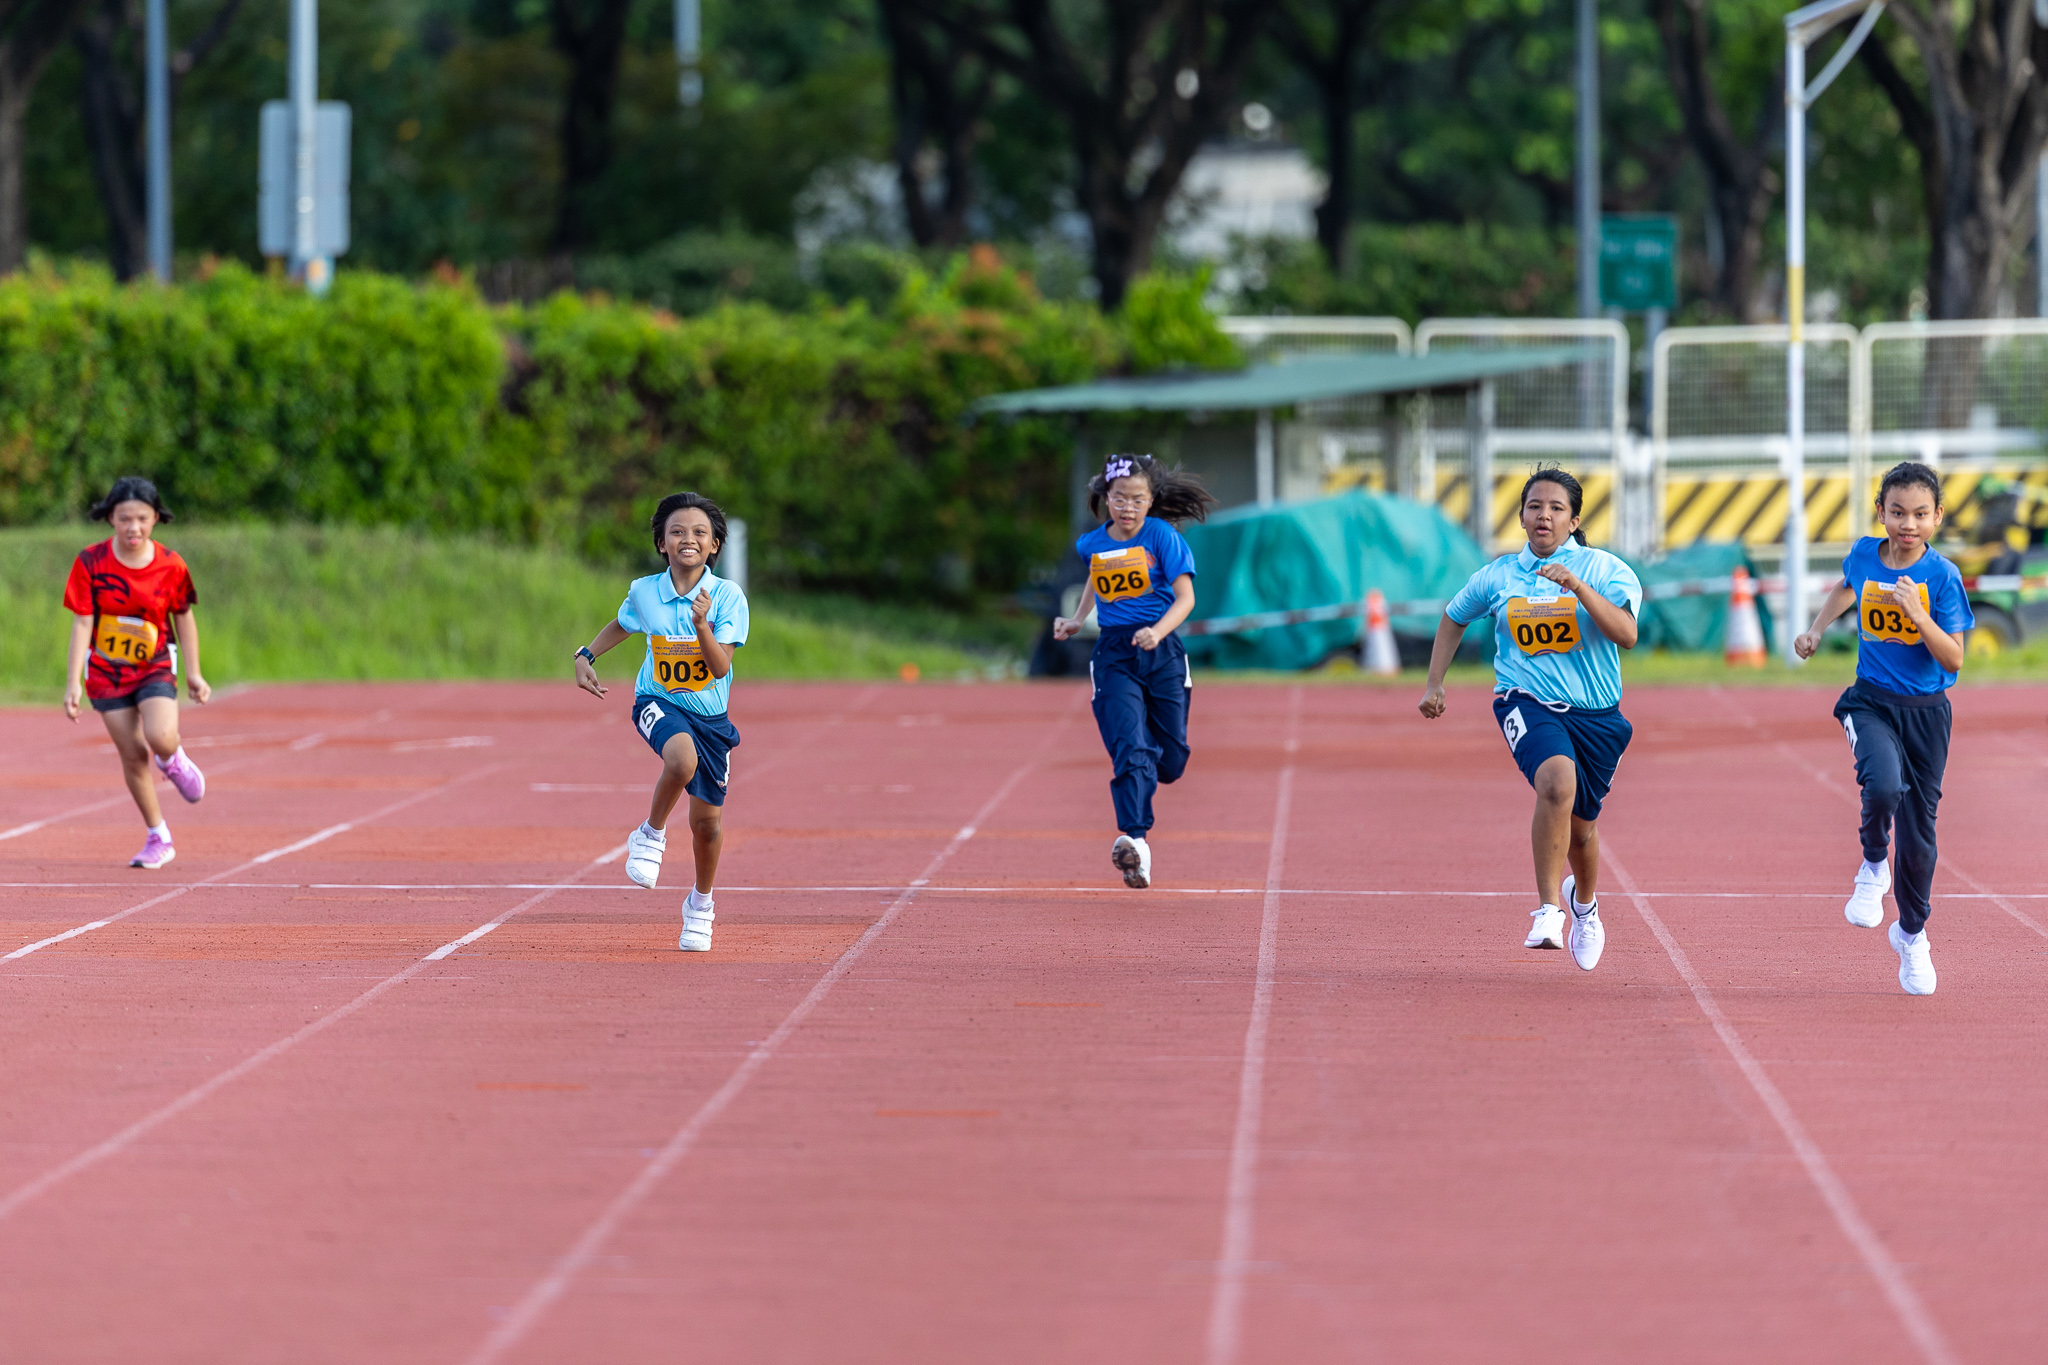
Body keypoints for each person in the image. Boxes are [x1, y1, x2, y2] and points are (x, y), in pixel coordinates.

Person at [1419, 468, 1641, 971]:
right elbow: (1454, 616)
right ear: (1521, 516)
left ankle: (1584, 906)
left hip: (1598, 717)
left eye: (1556, 508)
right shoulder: (1499, 576)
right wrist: (1435, 682)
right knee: (1556, 783)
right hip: (1525, 703)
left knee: (1582, 830)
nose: (1544, 516)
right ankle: (1547, 910)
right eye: (1535, 506)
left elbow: (1626, 634)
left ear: (1574, 519)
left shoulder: (1605, 568)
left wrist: (1578, 586)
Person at [1794, 460, 1972, 996]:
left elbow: (1955, 658)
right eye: (1897, 512)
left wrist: (1919, 616)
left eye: (1920, 514)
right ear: (1881, 512)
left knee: (1920, 842)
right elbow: (1848, 587)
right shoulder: (1865, 554)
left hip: (1926, 713)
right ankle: (1873, 865)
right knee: (1883, 781)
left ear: (1937, 517)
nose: (1908, 524)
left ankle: (1911, 936)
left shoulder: (1941, 577)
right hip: (1870, 701)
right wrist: (1816, 629)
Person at [574, 492, 748, 952]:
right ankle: (649, 835)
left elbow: (719, 668)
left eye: (698, 533)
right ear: (661, 544)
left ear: (714, 545)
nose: (687, 539)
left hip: (710, 717)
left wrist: (703, 626)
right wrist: (586, 655)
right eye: (676, 532)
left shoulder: (728, 597)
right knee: (680, 759)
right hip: (657, 701)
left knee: (707, 826)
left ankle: (701, 904)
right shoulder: (644, 591)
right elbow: (624, 623)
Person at [1052, 454, 1214, 889]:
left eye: (1137, 500)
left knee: (1171, 760)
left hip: (1162, 652)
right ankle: (1135, 841)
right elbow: (1095, 575)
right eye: (1120, 498)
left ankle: (1148, 771)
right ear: (1106, 498)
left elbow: (1186, 599)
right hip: (1114, 655)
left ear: (1150, 501)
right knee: (1131, 747)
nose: (1127, 508)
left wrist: (1158, 632)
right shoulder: (1092, 543)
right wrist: (1077, 619)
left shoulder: (1162, 536)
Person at [62, 476, 211, 869]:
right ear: (110, 517)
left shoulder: (170, 565)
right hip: (107, 672)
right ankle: (158, 836)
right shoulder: (91, 563)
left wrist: (194, 673)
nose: (134, 528)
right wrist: (73, 682)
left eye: (143, 519)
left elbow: (184, 618)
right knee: (131, 755)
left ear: (156, 519)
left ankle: (173, 759)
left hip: (155, 664)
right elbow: (81, 623)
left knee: (159, 736)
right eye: (125, 518)